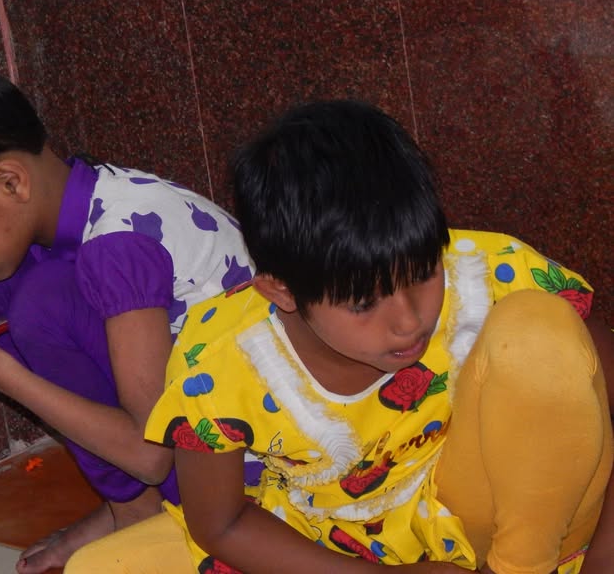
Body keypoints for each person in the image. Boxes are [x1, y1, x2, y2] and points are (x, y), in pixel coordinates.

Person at [62, 99, 614, 573]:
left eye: (424, 274)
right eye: (363, 303)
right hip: (337, 543)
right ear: (281, 290)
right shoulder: (222, 356)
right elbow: (221, 523)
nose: (408, 321)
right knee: (96, 567)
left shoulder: (491, 270)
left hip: (509, 520)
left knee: (536, 331)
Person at [0, 57, 254, 573]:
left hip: (248, 474)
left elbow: (151, 452)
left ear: (11, 182)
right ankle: (131, 504)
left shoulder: (116, 249)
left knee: (41, 306)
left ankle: (136, 510)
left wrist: (1, 373)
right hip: (195, 433)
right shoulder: (92, 196)